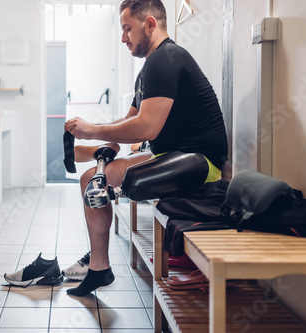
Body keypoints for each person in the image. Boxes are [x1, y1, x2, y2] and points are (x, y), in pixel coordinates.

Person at [63, 0, 228, 297]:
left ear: (150, 24)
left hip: (200, 161)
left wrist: (92, 129)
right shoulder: (149, 67)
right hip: (169, 154)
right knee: (90, 179)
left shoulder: (165, 59)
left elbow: (147, 128)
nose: (123, 37)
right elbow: (130, 122)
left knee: (112, 182)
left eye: (127, 28)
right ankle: (99, 268)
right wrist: (96, 144)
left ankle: (99, 267)